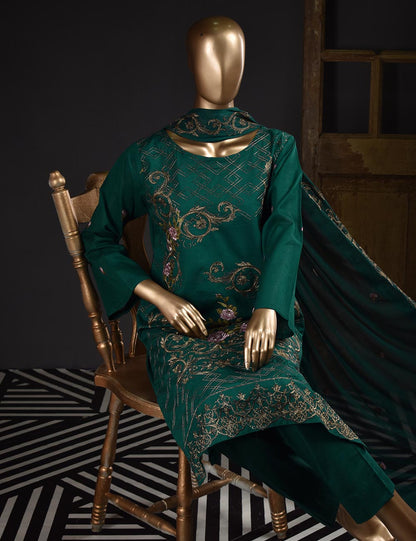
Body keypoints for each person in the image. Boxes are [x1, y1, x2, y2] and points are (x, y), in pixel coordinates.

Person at [82, 15, 416, 540]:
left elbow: (286, 233)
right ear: (192, 63)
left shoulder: (274, 149)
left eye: (233, 55)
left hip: (258, 320)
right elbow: (99, 239)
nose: (224, 68)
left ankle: (401, 522)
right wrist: (159, 297)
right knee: (222, 408)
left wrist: (268, 308)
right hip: (180, 334)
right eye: (212, 55)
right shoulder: (148, 156)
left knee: (289, 397)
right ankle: (359, 523)